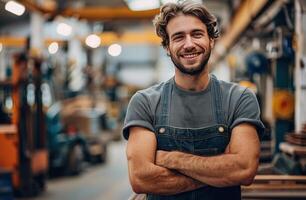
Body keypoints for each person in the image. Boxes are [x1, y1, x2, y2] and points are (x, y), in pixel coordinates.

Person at [123, 1, 265, 199]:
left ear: (211, 40)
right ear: (167, 46)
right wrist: (219, 174)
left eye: (197, 34)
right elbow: (141, 179)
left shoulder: (239, 98)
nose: (189, 44)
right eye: (178, 37)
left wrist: (171, 159)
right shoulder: (144, 102)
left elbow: (244, 170)